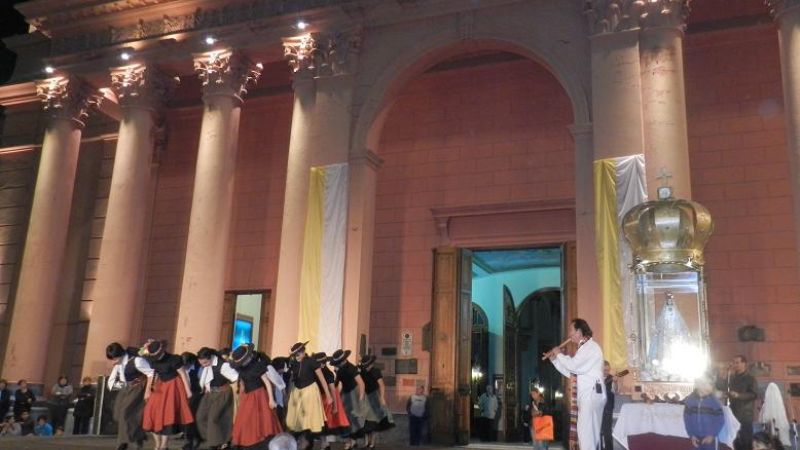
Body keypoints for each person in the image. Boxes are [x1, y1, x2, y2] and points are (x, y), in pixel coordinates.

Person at [546, 318, 606, 450]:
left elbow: (574, 366)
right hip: (589, 397)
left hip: (590, 396)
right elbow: (573, 373)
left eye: (571, 331)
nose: (569, 334)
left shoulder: (590, 347)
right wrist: (555, 360)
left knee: (586, 436)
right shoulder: (584, 348)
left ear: (579, 331)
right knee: (587, 436)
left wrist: (559, 354)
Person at [140, 339, 195, 450]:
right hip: (159, 385)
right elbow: (140, 353)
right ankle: (157, 445)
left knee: (167, 415)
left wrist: (188, 390)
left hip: (173, 386)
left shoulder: (174, 359)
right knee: (150, 412)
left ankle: (163, 446)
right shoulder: (150, 357)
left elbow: (183, 374)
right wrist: (148, 390)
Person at [228, 343, 283, 449]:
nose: (244, 363)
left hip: (260, 395)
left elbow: (267, 383)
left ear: (249, 357)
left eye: (244, 360)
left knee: (263, 418)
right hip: (247, 396)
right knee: (246, 420)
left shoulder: (257, 366)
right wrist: (240, 398)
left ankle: (262, 441)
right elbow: (242, 385)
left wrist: (271, 400)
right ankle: (249, 440)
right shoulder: (242, 369)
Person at [286, 342, 331, 450]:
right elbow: (292, 380)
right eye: (294, 355)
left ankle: (312, 443)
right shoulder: (294, 363)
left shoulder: (311, 361)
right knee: (297, 420)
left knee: (310, 420)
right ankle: (302, 444)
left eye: (297, 355)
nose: (296, 357)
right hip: (297, 392)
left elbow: (322, 379)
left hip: (310, 391)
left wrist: (328, 395)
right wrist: (289, 395)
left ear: (303, 352)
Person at [107, 342, 152, 450]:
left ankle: (123, 443)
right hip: (126, 387)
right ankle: (137, 436)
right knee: (117, 413)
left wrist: (148, 390)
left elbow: (151, 373)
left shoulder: (137, 361)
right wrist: (119, 385)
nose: (113, 361)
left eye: (115, 358)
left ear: (121, 354)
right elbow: (113, 381)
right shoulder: (119, 363)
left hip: (137, 386)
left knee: (126, 413)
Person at [195, 347, 237, 450]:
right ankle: (213, 439)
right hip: (210, 392)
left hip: (222, 392)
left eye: (205, 363)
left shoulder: (223, 365)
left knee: (213, 418)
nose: (203, 365)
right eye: (201, 363)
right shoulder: (207, 366)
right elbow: (206, 377)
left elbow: (236, 377)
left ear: (211, 358)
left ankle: (217, 443)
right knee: (200, 417)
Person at [717, 355, 757, 450]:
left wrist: (738, 395)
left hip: (745, 415)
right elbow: (720, 387)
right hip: (732, 413)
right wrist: (722, 376)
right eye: (734, 362)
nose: (735, 365)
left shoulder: (750, 378)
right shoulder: (731, 377)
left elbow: (753, 394)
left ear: (744, 364)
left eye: (737, 362)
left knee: (746, 441)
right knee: (734, 441)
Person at [330, 349, 367, 450]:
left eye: (338, 362)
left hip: (354, 393)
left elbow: (361, 383)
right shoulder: (339, 369)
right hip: (345, 394)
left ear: (343, 360)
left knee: (354, 418)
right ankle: (349, 441)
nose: (337, 364)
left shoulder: (352, 368)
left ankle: (353, 441)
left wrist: (360, 398)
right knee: (345, 418)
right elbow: (337, 383)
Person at [313, 352, 350, 450]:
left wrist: (335, 406)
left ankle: (348, 443)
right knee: (323, 424)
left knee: (337, 421)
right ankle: (325, 444)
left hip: (330, 399)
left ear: (322, 364)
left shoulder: (328, 373)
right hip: (321, 399)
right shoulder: (316, 372)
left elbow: (333, 390)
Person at [360, 354, 395, 448]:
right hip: (365, 397)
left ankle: (372, 443)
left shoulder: (376, 371)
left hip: (374, 396)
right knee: (365, 421)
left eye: (367, 365)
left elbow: (382, 385)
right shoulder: (362, 371)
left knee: (373, 421)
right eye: (365, 366)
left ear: (371, 364)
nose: (366, 367)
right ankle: (366, 442)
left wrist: (382, 397)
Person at [684, 375, 725, 450]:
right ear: (698, 384)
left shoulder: (715, 401)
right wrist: (692, 435)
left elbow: (720, 420)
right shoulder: (690, 400)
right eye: (706, 384)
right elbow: (687, 419)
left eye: (711, 385)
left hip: (710, 439)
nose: (710, 387)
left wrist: (712, 435)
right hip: (696, 438)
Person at [181, 351, 203, 450]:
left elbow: (203, 384)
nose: (184, 367)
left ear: (192, 361)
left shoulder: (200, 368)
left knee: (191, 417)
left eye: (186, 365)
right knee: (186, 418)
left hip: (197, 394)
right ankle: (191, 439)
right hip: (185, 394)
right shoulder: (182, 368)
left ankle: (191, 440)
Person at [601, 361, 617, 450]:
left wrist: (615, 382)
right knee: (597, 431)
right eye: (604, 370)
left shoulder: (611, 378)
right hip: (597, 408)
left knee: (607, 432)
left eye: (608, 370)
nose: (606, 372)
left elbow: (615, 390)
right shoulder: (596, 378)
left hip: (608, 408)